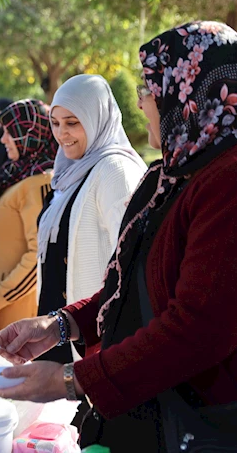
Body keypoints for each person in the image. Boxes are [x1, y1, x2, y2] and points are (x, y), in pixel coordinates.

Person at [0, 22, 237, 452]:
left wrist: (73, 380)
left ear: (189, 94)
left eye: (150, 89)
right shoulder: (190, 167)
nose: (143, 103)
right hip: (167, 414)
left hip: (221, 428)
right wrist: (62, 324)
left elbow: (199, 328)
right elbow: (138, 285)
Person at [35, 75, 146, 363]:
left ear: (97, 118)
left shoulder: (115, 171)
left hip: (94, 341)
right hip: (58, 332)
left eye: (72, 122)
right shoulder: (69, 171)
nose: (62, 133)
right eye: (56, 123)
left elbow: (132, 268)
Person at [0, 99, 58, 330]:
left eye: (10, 133)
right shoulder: (18, 173)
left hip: (16, 314)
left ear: (29, 135)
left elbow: (38, 257)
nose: (3, 140)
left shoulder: (41, 181)